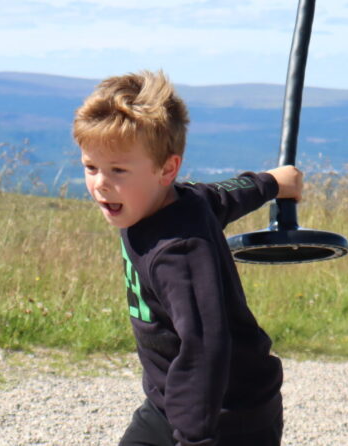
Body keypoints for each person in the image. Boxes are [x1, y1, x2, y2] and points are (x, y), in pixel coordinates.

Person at [72, 70, 302, 446]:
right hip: (170, 405)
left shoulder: (178, 252)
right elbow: (222, 195)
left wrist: (194, 439)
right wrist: (274, 182)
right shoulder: (178, 199)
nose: (100, 183)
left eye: (118, 170)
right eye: (91, 167)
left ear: (167, 169)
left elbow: (205, 347)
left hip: (229, 416)